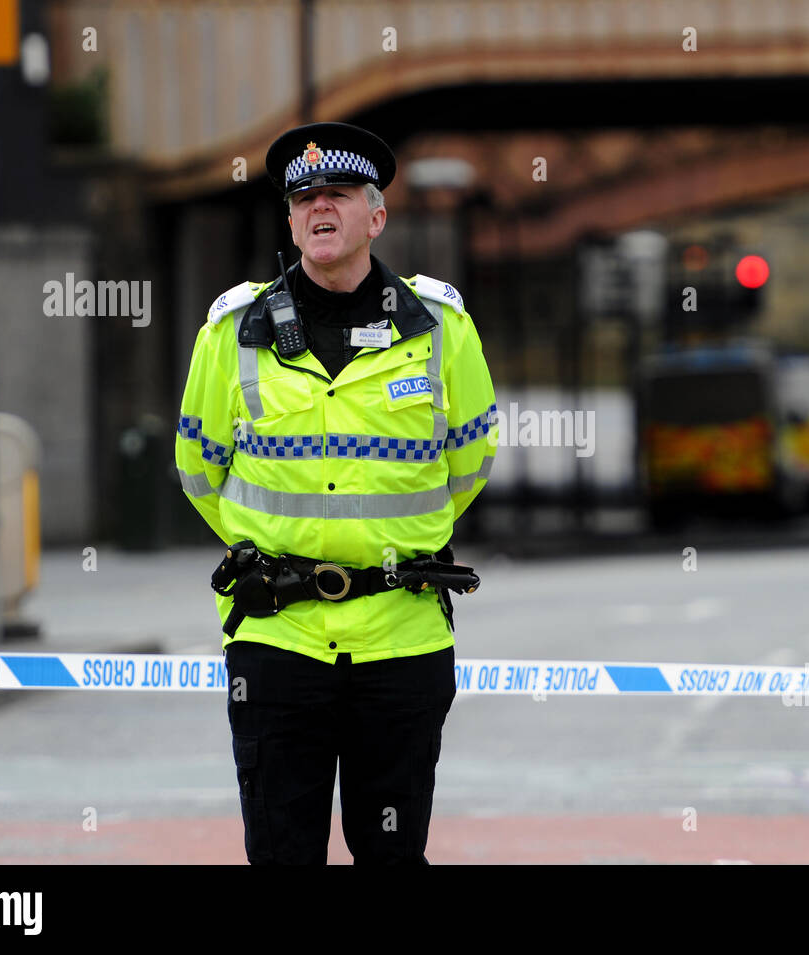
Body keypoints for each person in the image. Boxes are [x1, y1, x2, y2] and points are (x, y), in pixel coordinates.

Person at [174, 121, 497, 864]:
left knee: (391, 854)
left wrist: (397, 533)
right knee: (282, 852)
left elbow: (470, 459)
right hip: (277, 635)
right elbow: (199, 465)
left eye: (340, 194)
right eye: (305, 197)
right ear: (290, 220)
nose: (321, 207)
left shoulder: (439, 326)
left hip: (402, 639)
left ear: (376, 216)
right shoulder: (233, 332)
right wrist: (269, 543)